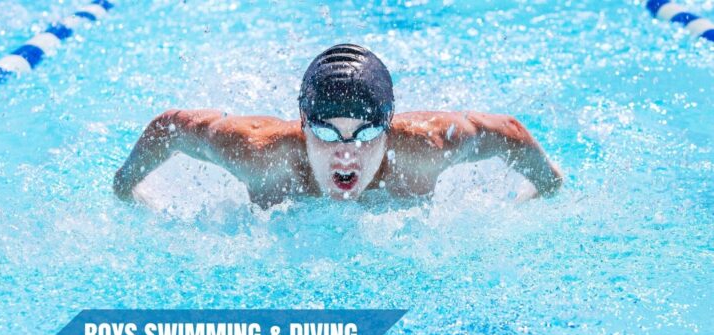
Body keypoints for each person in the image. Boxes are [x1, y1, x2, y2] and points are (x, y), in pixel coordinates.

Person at [114, 43, 562, 208]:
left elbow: (508, 132)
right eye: (328, 133)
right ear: (303, 124)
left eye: (365, 133)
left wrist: (547, 186)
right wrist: (125, 187)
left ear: (388, 127)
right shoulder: (258, 153)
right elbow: (171, 126)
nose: (346, 153)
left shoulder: (424, 148)